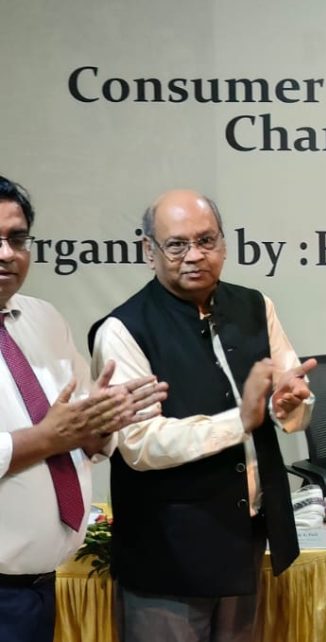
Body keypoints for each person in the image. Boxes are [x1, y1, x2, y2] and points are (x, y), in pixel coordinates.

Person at [89, 190, 315, 642]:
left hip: (245, 539)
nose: (194, 256)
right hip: (168, 555)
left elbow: (289, 392)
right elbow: (139, 444)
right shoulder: (123, 329)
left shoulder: (256, 306)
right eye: (176, 245)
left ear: (224, 244)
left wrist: (290, 406)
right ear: (149, 251)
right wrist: (240, 420)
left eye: (206, 240)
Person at [0, 175, 165, 642]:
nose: (6, 253)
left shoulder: (44, 319)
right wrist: (47, 438)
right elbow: (55, 432)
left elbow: (80, 427)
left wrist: (100, 427)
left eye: (17, 239)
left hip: (39, 586)